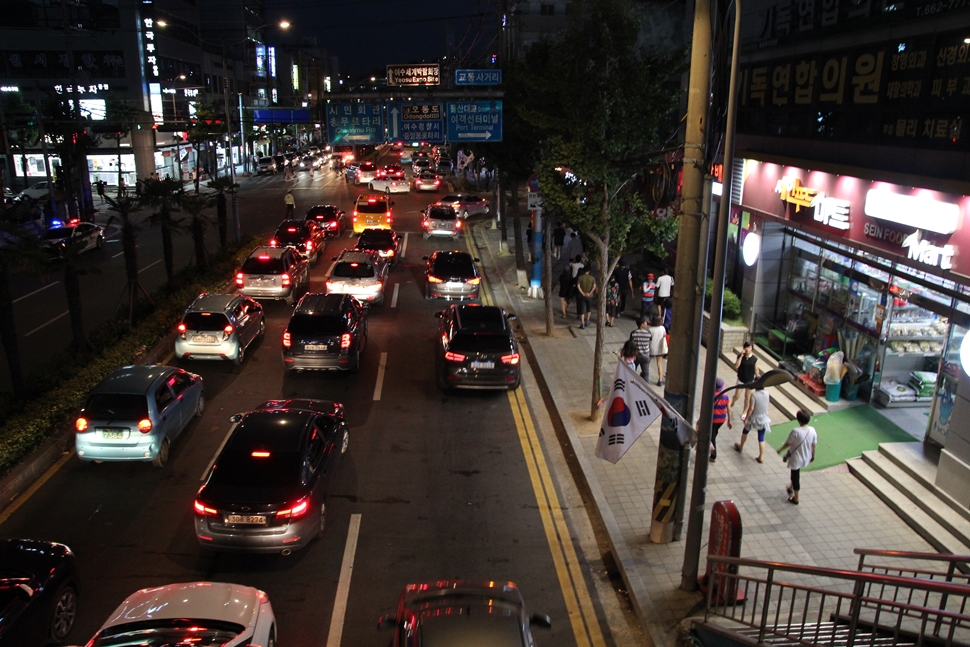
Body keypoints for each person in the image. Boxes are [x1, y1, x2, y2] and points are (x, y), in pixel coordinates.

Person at [779, 409, 817, 504]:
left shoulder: (796, 431)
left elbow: (788, 443)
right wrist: (813, 455)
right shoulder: (812, 430)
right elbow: (814, 444)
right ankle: (791, 487)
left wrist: (780, 450)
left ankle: (796, 498)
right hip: (806, 456)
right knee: (796, 473)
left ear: (799, 420)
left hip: (796, 458)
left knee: (795, 476)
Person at [734, 385, 771, 463]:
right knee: (761, 437)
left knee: (745, 431)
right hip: (764, 418)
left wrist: (746, 418)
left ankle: (741, 446)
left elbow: (751, 408)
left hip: (754, 418)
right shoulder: (767, 393)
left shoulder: (754, 395)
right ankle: (761, 457)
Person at [732, 342, 758, 415]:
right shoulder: (741, 356)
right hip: (741, 379)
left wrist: (758, 376)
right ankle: (733, 401)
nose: (748, 349)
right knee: (737, 395)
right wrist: (741, 355)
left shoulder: (754, 359)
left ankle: (745, 411)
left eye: (750, 347)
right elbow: (736, 366)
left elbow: (756, 369)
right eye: (747, 347)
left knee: (747, 397)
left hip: (749, 380)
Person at [710, 377, 732, 463]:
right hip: (721, 420)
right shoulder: (726, 396)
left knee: (712, 437)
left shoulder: (713, 396)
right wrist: (729, 421)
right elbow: (729, 409)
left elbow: (708, 408)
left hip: (713, 419)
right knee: (714, 433)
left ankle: (713, 455)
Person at [647, 315, 668, 386]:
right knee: (659, 364)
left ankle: (645, 376)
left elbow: (649, 340)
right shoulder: (662, 328)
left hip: (652, 348)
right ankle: (660, 380)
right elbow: (664, 336)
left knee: (647, 363)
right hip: (660, 348)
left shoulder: (650, 329)